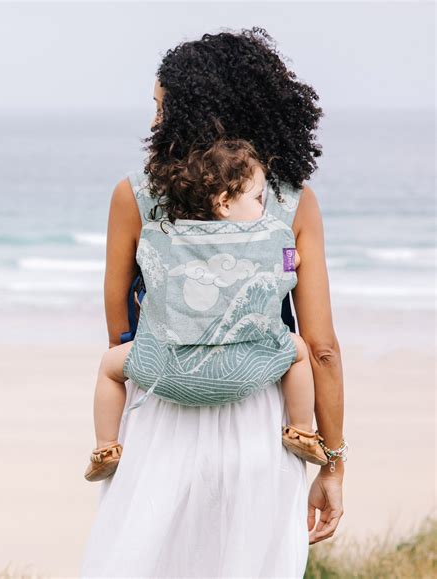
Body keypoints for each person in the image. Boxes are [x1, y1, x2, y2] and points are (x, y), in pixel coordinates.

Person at [81, 27, 346, 578]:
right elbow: (320, 348)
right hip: (263, 421)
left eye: (162, 108)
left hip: (162, 410)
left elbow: (120, 331)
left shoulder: (134, 195)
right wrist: (333, 463)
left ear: (194, 114)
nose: (155, 121)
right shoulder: (292, 201)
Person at [83, 137, 328, 483]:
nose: (263, 208)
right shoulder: (272, 239)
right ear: (225, 202)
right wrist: (292, 258)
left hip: (167, 370)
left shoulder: (161, 236)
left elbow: (142, 279)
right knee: (298, 351)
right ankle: (301, 429)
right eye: (258, 199)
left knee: (110, 367)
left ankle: (106, 446)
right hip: (246, 370)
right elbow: (291, 272)